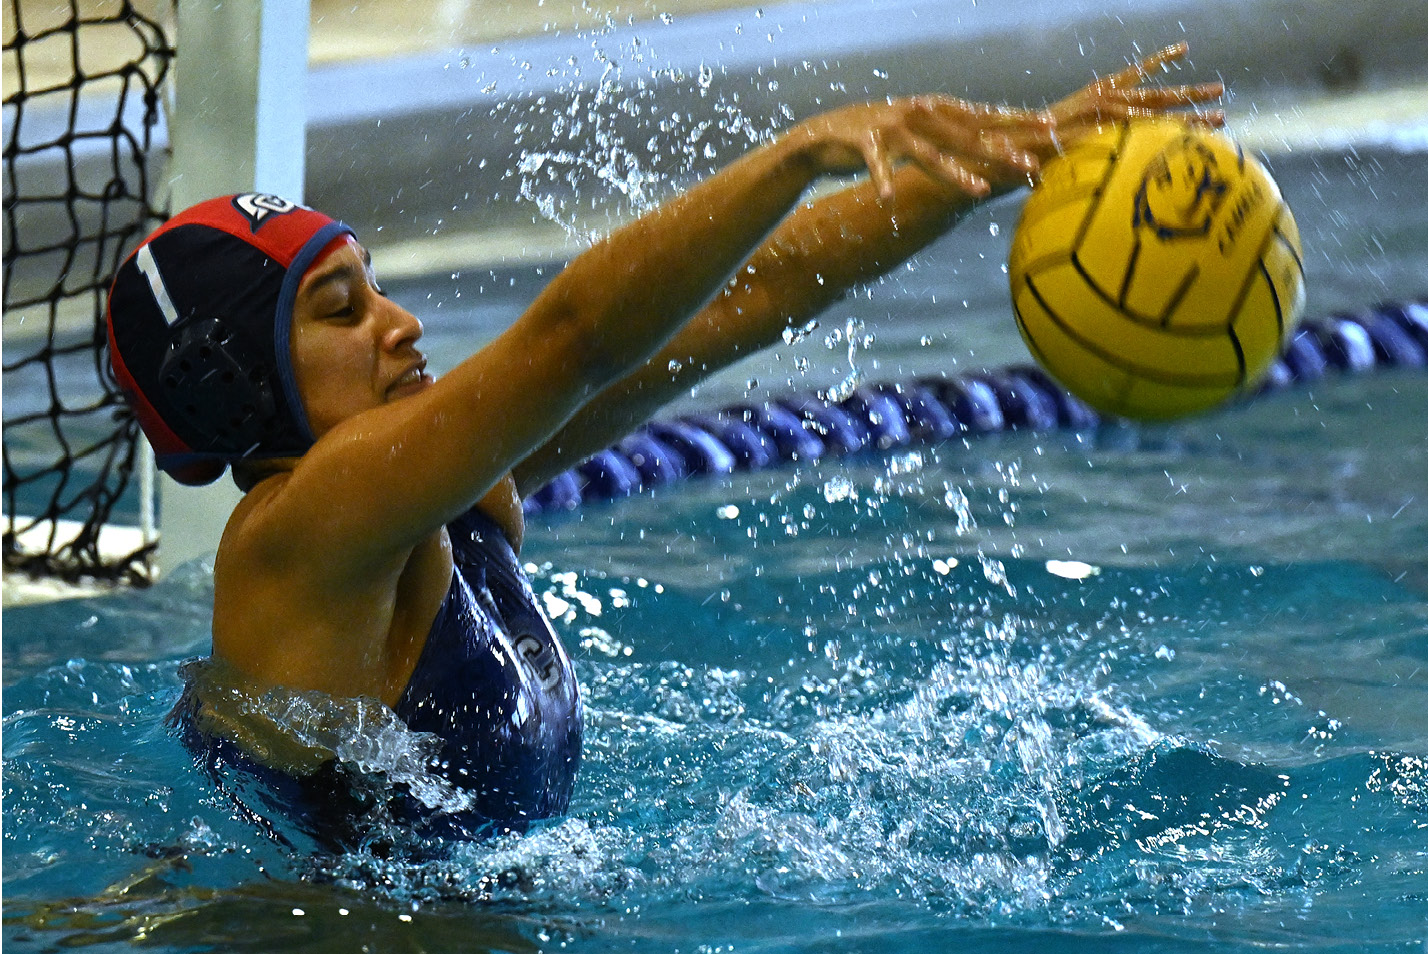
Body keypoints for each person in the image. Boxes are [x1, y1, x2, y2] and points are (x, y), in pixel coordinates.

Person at [107, 45, 1222, 847]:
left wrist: (991, 168)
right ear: (232, 377)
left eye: (381, 289)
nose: (401, 324)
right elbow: (578, 336)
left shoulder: (446, 494)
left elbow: (743, 301)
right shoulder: (302, 530)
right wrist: (802, 152)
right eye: (342, 309)